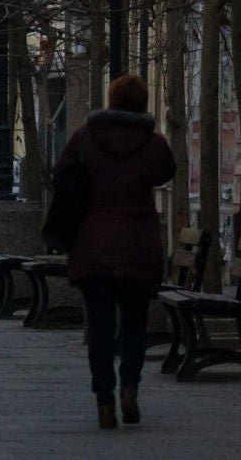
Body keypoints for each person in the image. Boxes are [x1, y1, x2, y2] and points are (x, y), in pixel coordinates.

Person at [54, 73, 175, 430]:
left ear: (111, 99)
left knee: (101, 327)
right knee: (135, 324)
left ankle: (104, 399)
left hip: (93, 246)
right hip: (138, 245)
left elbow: (61, 173)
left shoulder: (85, 138)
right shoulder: (153, 144)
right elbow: (166, 172)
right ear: (142, 104)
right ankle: (130, 388)